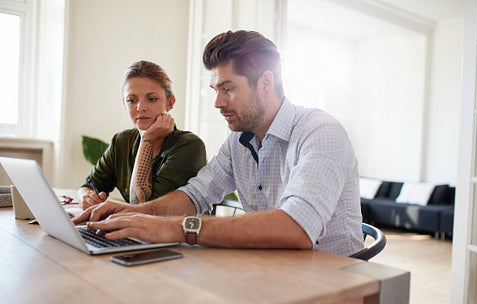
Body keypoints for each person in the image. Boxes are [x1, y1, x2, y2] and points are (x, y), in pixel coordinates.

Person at [74, 31, 364, 256]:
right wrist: (131, 213)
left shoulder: (321, 132)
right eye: (215, 90)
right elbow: (195, 195)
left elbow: (297, 227)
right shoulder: (238, 140)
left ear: (265, 82)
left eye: (228, 89)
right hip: (272, 268)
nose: (217, 103)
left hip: (331, 280)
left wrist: (176, 228)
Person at [78, 60, 207, 210]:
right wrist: (86, 197)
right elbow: (89, 185)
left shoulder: (190, 146)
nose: (140, 107)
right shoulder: (122, 141)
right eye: (131, 100)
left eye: (152, 99)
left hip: (178, 231)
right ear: (124, 104)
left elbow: (144, 209)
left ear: (170, 102)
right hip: (137, 231)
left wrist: (148, 139)